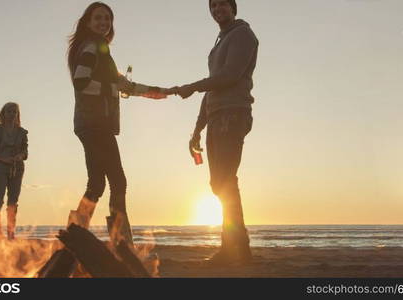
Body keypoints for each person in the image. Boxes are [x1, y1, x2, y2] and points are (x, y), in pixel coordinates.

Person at [67, 2, 169, 246]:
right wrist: (112, 89)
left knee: (97, 183)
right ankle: (121, 243)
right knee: (117, 181)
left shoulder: (101, 50)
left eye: (108, 19)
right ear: (88, 22)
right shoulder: (92, 47)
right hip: (94, 123)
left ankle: (75, 235)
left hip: (91, 123)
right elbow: (81, 82)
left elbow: (125, 86)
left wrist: (157, 91)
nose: (104, 23)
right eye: (98, 18)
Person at [174, 0, 259, 264]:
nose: (217, 9)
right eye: (212, 6)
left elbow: (229, 76)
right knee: (218, 183)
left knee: (226, 179)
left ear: (233, 7)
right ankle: (236, 247)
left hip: (233, 113)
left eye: (222, 4)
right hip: (216, 115)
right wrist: (197, 129)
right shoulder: (220, 41)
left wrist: (193, 86)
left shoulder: (243, 35)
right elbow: (213, 86)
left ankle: (237, 249)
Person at [0, 102, 28, 240]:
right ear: (3, 113)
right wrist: (3, 159)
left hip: (17, 167)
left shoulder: (22, 132)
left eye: (14, 112)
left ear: (17, 114)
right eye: (9, 111)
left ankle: (11, 233)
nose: (12, 114)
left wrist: (19, 156)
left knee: (13, 201)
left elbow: (25, 151)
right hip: (0, 167)